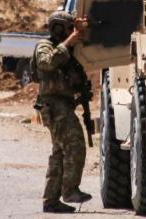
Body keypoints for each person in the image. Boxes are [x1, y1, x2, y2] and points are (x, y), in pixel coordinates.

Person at [34, 17, 92, 213]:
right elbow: (47, 62)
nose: (71, 32)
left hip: (63, 105)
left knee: (59, 154)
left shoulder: (67, 49)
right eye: (68, 28)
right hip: (54, 105)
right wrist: (69, 41)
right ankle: (70, 190)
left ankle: (51, 201)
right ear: (58, 28)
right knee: (75, 144)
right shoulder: (45, 46)